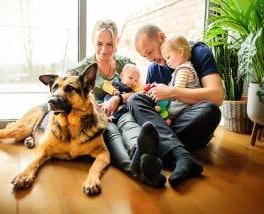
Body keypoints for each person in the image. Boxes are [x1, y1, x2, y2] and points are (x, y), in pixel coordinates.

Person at [126, 24, 223, 187]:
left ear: (161, 37)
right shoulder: (153, 68)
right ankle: (181, 156)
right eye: (145, 56)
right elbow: (149, 105)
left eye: (150, 52)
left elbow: (217, 96)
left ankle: (149, 151)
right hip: (169, 123)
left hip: (190, 120)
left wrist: (172, 92)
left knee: (211, 110)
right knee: (134, 100)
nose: (150, 59)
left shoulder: (197, 52)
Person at [67, 19, 160, 187]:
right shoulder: (83, 68)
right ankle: (134, 168)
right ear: (92, 42)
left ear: (117, 42)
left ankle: (144, 156)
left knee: (130, 126)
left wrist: (117, 98)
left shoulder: (125, 63)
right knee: (112, 133)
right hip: (101, 118)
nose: (104, 50)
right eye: (99, 43)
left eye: (110, 44)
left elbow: (140, 91)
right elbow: (61, 89)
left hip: (123, 111)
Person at [160, 35, 201, 124]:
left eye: (168, 57)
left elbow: (177, 91)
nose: (167, 62)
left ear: (180, 52)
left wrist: (165, 91)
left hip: (184, 105)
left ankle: (168, 120)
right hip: (183, 103)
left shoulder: (183, 69)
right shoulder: (183, 68)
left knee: (164, 111)